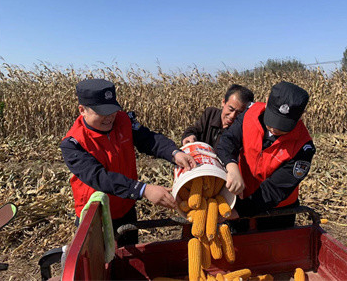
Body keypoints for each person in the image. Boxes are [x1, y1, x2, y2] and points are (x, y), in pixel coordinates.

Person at [60, 79, 196, 245]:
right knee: (102, 266)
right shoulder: (73, 144)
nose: (109, 117)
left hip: (126, 207)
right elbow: (100, 178)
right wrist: (144, 190)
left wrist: (174, 153)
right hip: (96, 216)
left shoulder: (124, 121)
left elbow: (149, 140)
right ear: (82, 110)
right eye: (102, 112)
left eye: (112, 110)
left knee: (128, 257)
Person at [216, 81, 316, 232]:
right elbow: (227, 141)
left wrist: (240, 211)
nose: (275, 129)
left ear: (300, 116)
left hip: (277, 209)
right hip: (242, 194)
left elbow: (275, 190)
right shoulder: (250, 113)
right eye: (272, 120)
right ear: (268, 102)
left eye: (283, 126)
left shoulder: (303, 148)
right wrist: (231, 166)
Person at [181, 84, 254, 149]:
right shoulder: (210, 114)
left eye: (239, 113)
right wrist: (190, 136)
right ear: (223, 102)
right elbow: (195, 129)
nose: (232, 116)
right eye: (231, 109)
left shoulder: (242, 129)